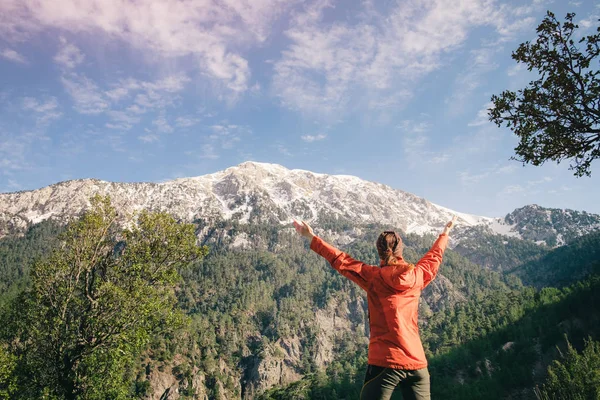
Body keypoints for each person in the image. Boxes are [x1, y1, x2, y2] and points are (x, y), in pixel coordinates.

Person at [293, 216, 457, 400]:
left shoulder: (374, 277)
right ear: (401, 250)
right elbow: (434, 257)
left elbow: (341, 260)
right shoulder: (417, 276)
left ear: (380, 252)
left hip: (385, 362)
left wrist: (311, 237)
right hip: (417, 364)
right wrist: (445, 233)